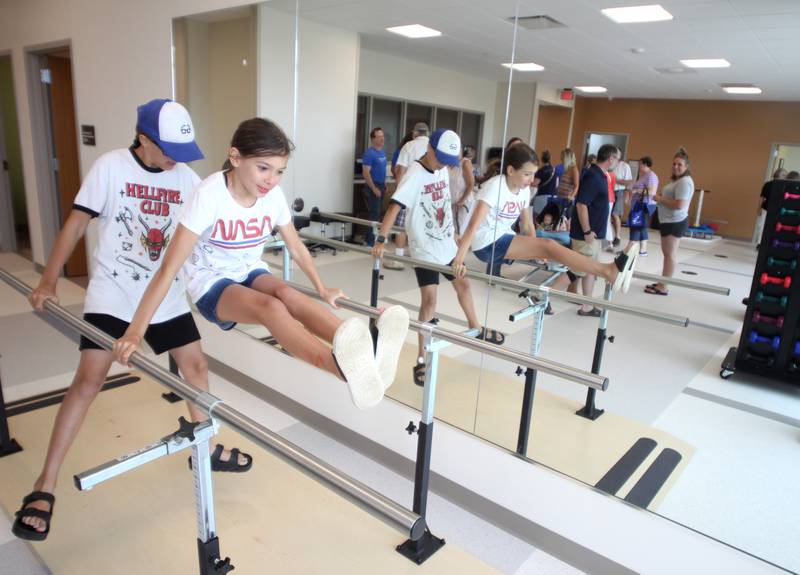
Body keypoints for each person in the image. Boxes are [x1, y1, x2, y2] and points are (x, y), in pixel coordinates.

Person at [12, 99, 254, 542]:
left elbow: (206, 234)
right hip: (114, 295)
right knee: (88, 381)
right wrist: (48, 280)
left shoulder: (186, 178)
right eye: (167, 150)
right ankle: (44, 485)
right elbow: (76, 223)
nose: (176, 160)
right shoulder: (110, 167)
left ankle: (205, 443)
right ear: (143, 139)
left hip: (164, 295)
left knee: (196, 366)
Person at [114, 117, 409, 411]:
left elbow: (296, 247)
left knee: (289, 294)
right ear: (236, 157)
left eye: (279, 171)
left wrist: (322, 288)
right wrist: (135, 331)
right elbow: (168, 269)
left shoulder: (272, 196)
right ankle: (341, 369)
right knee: (272, 307)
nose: (271, 179)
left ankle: (365, 352)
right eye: (263, 168)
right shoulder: (208, 195)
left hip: (250, 271)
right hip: (212, 284)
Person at [372, 129, 504, 387]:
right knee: (430, 302)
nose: (444, 163)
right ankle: (421, 359)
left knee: (463, 285)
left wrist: (453, 233)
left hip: (446, 244)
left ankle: (476, 327)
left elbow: (443, 202)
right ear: (430, 148)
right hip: (425, 248)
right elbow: (394, 206)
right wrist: (380, 240)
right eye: (440, 157)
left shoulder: (443, 169)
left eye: (448, 160)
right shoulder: (414, 174)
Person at [452, 143, 637, 305]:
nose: (531, 180)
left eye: (533, 175)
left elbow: (527, 225)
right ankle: (608, 270)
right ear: (510, 170)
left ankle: (607, 270)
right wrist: (459, 260)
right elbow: (472, 227)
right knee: (549, 245)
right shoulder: (494, 187)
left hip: (503, 236)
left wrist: (534, 249)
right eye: (526, 174)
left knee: (554, 251)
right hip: (485, 243)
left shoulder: (524, 190)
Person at [568, 144, 635, 316]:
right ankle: (542, 294)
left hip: (594, 233)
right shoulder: (593, 176)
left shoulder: (601, 175)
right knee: (577, 270)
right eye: (618, 159)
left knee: (589, 269)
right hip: (587, 234)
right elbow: (581, 205)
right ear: (611, 158)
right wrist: (587, 231)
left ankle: (587, 305)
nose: (618, 163)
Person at [645, 147, 695, 296]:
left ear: (686, 167)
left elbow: (680, 204)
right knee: (667, 254)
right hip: (668, 221)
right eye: (674, 164)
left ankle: (664, 286)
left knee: (670, 255)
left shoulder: (684, 182)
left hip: (675, 222)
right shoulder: (678, 181)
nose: (676, 167)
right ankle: (663, 282)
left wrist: (659, 198)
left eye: (680, 164)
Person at [386, 122, 430, 270]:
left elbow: (400, 172)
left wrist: (401, 192)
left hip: (410, 193)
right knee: (424, 227)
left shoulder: (409, 146)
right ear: (427, 133)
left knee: (402, 227)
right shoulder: (433, 148)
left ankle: (398, 259)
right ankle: (421, 261)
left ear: (414, 133)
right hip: (428, 195)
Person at [622, 156, 658, 257]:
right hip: (639, 204)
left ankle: (630, 248)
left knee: (636, 225)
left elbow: (652, 192)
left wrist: (636, 191)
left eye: (640, 164)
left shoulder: (651, 176)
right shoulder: (643, 175)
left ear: (645, 164)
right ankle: (643, 250)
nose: (638, 166)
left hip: (645, 205)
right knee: (642, 227)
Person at [361, 127, 387, 246]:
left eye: (383, 136)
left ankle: (370, 239)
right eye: (379, 137)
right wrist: (374, 188)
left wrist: (384, 184)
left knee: (378, 214)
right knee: (374, 215)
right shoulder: (369, 153)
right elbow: (366, 173)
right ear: (373, 139)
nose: (382, 139)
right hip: (373, 186)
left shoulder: (382, 152)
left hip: (381, 185)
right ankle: (370, 242)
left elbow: (382, 170)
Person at [755, 168, 788, 246]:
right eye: (784, 174)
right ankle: (760, 243)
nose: (785, 176)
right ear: (778, 175)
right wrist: (759, 208)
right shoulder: (768, 184)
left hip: (778, 210)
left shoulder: (785, 186)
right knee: (762, 226)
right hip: (766, 208)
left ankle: (770, 242)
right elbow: (762, 197)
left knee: (775, 227)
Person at [451, 145, 476, 236]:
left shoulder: (465, 163)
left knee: (460, 231)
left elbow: (471, 184)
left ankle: (460, 249)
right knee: (453, 231)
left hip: (463, 203)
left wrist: (461, 201)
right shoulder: (451, 164)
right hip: (453, 203)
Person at [610, 154, 633, 248]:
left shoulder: (625, 166)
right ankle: (608, 237)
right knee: (608, 215)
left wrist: (616, 180)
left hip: (619, 192)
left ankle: (617, 237)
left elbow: (629, 182)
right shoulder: (610, 164)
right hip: (609, 191)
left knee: (615, 214)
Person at [531, 149, 557, 219]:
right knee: (548, 219)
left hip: (542, 197)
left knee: (537, 218)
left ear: (542, 159)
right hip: (553, 197)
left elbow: (535, 183)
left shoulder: (542, 170)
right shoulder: (554, 170)